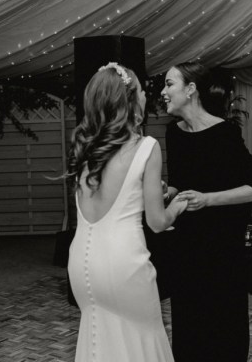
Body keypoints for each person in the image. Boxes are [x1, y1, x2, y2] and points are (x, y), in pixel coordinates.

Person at [66, 63, 187, 362]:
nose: (147, 96)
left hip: (82, 266)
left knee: (99, 342)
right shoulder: (146, 146)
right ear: (129, 99)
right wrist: (177, 205)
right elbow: (157, 223)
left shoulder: (85, 150)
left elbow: (109, 198)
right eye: (143, 92)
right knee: (142, 345)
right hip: (124, 265)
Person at [162, 62, 252, 362]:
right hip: (186, 246)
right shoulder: (174, 133)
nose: (163, 91)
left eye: (169, 84)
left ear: (191, 89)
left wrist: (208, 199)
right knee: (188, 324)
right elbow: (181, 185)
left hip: (222, 248)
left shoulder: (224, 133)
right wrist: (166, 191)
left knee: (222, 325)